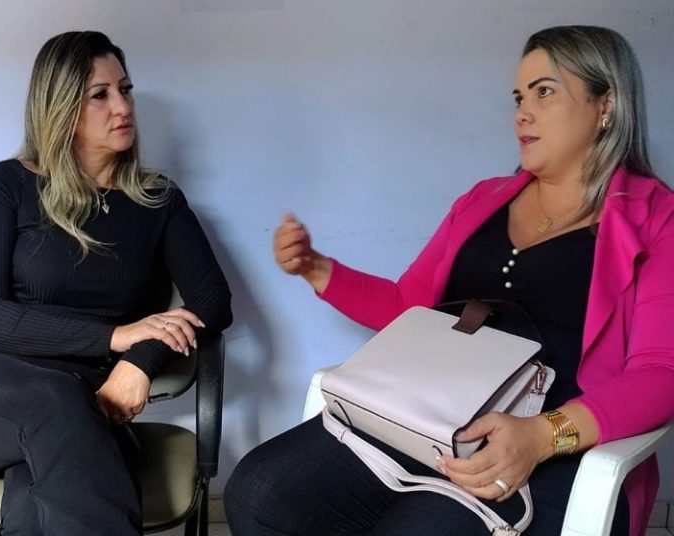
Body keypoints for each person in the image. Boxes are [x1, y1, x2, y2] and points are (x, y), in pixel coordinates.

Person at [225, 25, 674, 536]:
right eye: (518, 98)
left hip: (552, 447)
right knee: (257, 492)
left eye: (544, 92)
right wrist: (316, 268)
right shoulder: (482, 200)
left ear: (605, 104)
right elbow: (408, 307)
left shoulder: (657, 219)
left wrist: (543, 436)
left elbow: (661, 372)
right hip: (434, 416)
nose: (522, 113)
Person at [0, 31, 232, 535]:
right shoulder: (7, 185)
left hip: (86, 405)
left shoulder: (158, 201)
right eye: (99, 95)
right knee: (56, 402)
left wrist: (140, 360)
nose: (122, 106)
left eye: (125, 89)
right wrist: (116, 336)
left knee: (39, 502)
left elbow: (213, 300)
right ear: (60, 107)